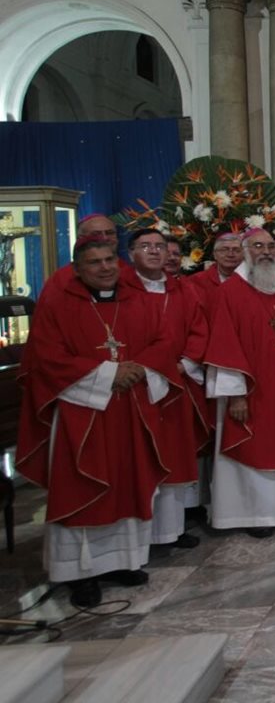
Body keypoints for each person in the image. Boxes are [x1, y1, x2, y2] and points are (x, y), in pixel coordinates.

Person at [17, 236, 178, 607]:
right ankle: (79, 573)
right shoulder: (58, 304)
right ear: (77, 269)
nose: (105, 268)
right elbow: (47, 356)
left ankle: (123, 561)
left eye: (109, 260)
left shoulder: (135, 298)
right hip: (83, 411)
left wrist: (136, 369)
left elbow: (162, 340)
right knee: (84, 486)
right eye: (94, 263)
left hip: (131, 407)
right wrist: (108, 374)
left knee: (128, 480)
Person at [203, 229, 275, 536]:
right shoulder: (231, 293)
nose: (265, 251)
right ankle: (252, 516)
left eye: (270, 246)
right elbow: (225, 345)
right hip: (250, 390)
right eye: (257, 246)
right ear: (244, 251)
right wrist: (235, 394)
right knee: (252, 448)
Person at [122, 228, 208, 549]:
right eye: (146, 246)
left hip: (176, 386)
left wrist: (184, 365)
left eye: (160, 246)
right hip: (134, 387)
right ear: (131, 253)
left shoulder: (183, 291)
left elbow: (199, 331)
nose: (156, 252)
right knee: (141, 458)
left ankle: (172, 529)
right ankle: (140, 537)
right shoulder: (122, 292)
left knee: (174, 455)